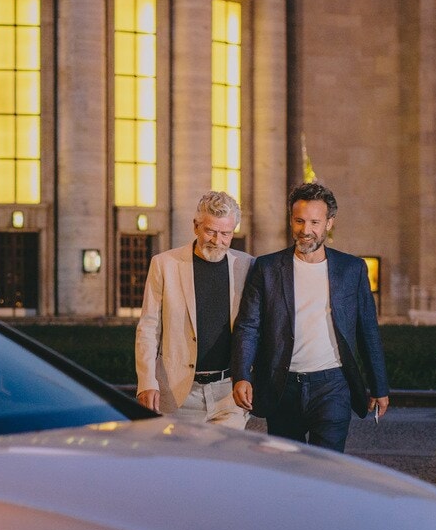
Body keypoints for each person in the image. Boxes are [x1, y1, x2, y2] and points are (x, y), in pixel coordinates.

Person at [231, 181, 389, 451]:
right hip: (283, 385)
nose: (306, 231)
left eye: (315, 222)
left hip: (332, 386)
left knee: (327, 468)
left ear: (329, 223)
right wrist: (242, 375)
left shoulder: (351, 269)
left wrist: (379, 385)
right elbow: (249, 326)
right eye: (299, 221)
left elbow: (368, 330)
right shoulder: (267, 268)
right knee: (287, 470)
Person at [135, 190, 254, 428]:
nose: (217, 240)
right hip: (178, 395)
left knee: (225, 465)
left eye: (225, 234)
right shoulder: (164, 264)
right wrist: (147, 381)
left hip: (228, 395)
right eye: (210, 231)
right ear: (196, 226)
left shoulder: (247, 265)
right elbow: (149, 327)